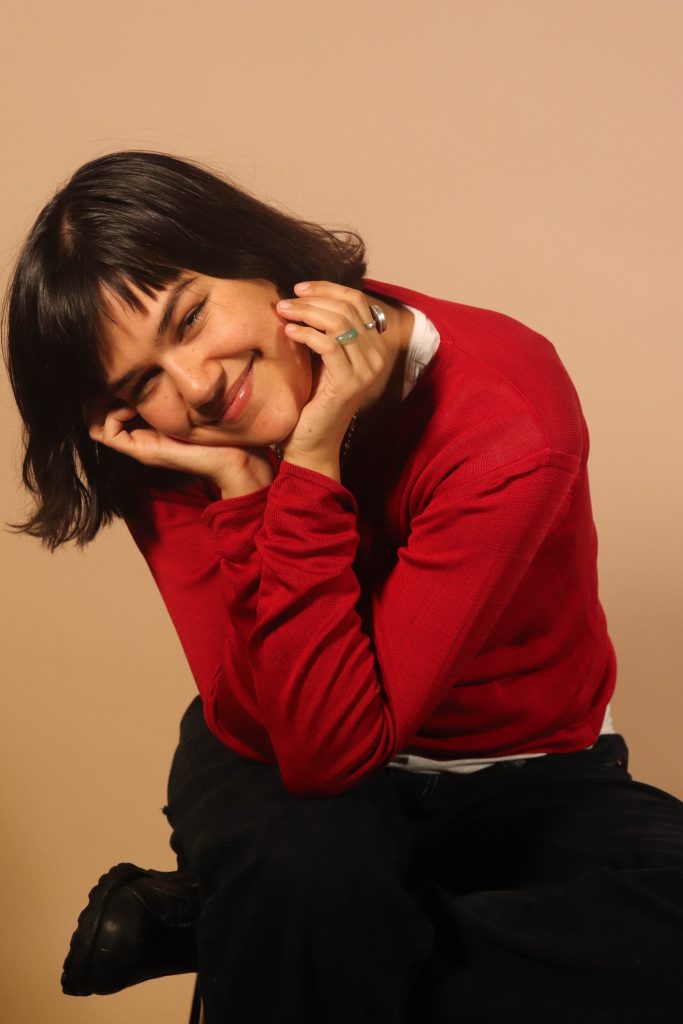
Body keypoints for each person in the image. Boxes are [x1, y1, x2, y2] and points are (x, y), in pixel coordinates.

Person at [4, 150, 682, 1024]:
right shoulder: (171, 451)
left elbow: (349, 731)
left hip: (532, 769)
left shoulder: (503, 412)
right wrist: (255, 489)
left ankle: (249, 935)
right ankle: (294, 929)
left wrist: (311, 453)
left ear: (257, 259)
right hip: (271, 748)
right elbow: (297, 740)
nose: (197, 387)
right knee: (307, 876)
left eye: (190, 318)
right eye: (143, 384)